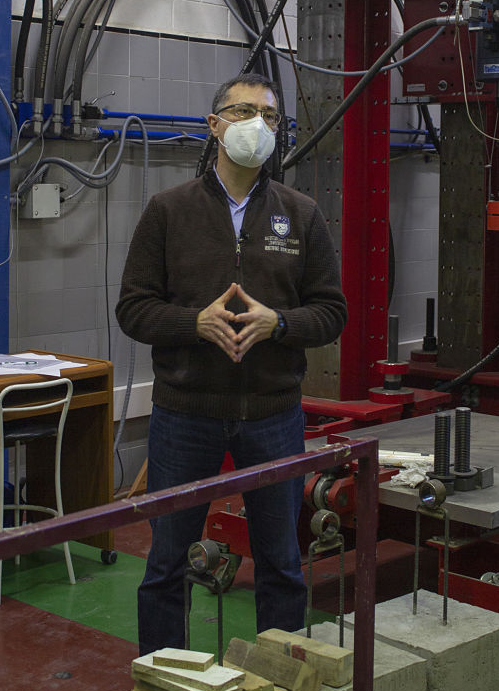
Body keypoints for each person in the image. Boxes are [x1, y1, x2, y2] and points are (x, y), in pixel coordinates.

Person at [116, 72, 347, 655]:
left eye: (269, 116)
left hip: (274, 417)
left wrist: (281, 323)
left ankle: (283, 679)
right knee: (166, 563)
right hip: (184, 415)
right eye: (243, 112)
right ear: (214, 124)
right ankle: (161, 676)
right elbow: (134, 309)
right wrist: (194, 323)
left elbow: (331, 311)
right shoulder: (168, 212)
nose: (257, 125)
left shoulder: (301, 213)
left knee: (281, 564)